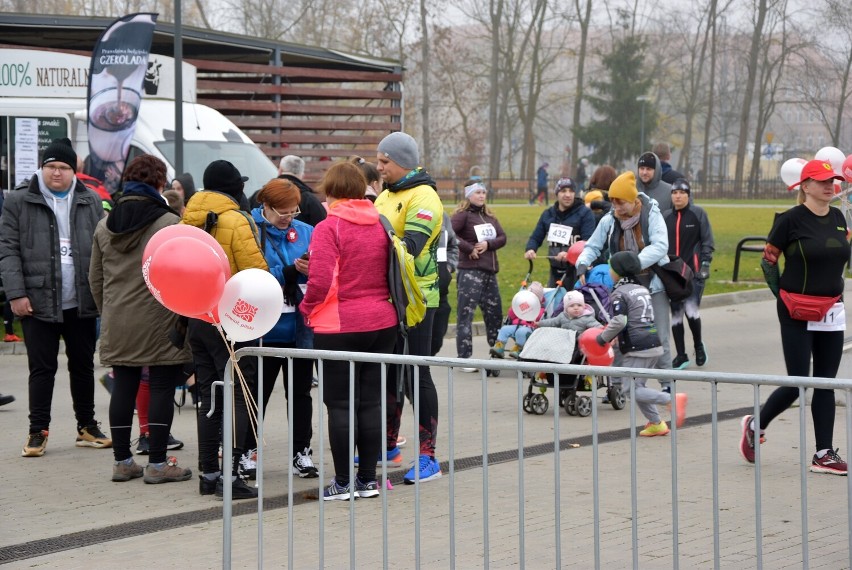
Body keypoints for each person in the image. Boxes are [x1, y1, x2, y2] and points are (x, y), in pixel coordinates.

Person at [0, 138, 111, 457]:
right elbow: (7, 249)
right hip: (36, 300)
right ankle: (38, 431)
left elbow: (102, 246)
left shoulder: (89, 199)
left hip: (81, 298)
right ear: (42, 168)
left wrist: (102, 293)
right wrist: (16, 294)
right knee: (41, 368)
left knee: (82, 366)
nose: (57, 173)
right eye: (51, 167)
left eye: (63, 167)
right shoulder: (19, 200)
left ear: (74, 171)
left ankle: (86, 426)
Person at [739, 159, 849, 475]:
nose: (830, 185)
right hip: (795, 311)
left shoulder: (839, 218)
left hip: (831, 311)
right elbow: (768, 262)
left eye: (834, 180)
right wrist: (783, 298)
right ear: (805, 186)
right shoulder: (790, 220)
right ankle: (755, 424)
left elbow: (841, 257)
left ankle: (824, 454)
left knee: (825, 381)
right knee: (798, 382)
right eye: (823, 180)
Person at [89, 154, 193, 484]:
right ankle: (159, 465)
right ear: (160, 183)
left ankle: (122, 461)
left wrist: (109, 311)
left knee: (124, 386)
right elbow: (184, 272)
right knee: (161, 387)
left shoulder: (105, 225)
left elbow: (94, 278)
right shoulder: (169, 224)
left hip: (118, 319)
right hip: (160, 320)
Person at [299, 161, 398, 499]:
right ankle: (368, 480)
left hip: (339, 324)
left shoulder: (330, 227)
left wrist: (307, 307)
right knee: (371, 403)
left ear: (331, 192)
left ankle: (342, 483)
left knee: (340, 405)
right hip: (382, 321)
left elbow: (320, 278)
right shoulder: (381, 223)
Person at [182, 159, 268, 499]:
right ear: (234, 188)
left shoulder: (187, 218)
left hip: (197, 317)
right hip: (232, 321)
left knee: (208, 396)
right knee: (236, 396)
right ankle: (231, 477)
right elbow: (255, 271)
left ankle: (208, 473)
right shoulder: (236, 220)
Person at [374, 131, 444, 484]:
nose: (379, 167)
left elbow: (411, 246)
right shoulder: (385, 196)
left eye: (385, 161)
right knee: (390, 373)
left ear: (403, 161)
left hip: (419, 299)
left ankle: (430, 457)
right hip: (389, 298)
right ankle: (388, 446)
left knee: (417, 375)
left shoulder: (425, 196)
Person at [240, 178, 318, 480]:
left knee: (300, 394)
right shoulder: (252, 231)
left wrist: (314, 268)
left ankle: (302, 453)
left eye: (293, 211)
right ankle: (247, 451)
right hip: (266, 329)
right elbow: (252, 277)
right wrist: (287, 271)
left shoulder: (307, 232)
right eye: (281, 212)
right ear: (265, 206)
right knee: (257, 394)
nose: (287, 218)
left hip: (300, 329)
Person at [574, 171, 674, 391]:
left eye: (621, 203)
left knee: (658, 334)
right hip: (623, 286)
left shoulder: (651, 214)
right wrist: (582, 263)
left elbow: (660, 246)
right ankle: (618, 383)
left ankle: (667, 384)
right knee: (618, 331)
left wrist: (634, 263)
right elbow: (592, 245)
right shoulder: (610, 219)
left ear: (633, 200)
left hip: (652, 283)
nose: (617, 208)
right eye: (613, 203)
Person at [596, 251, 687, 437]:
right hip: (653, 344)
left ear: (617, 272)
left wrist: (602, 338)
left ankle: (671, 399)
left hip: (638, 348)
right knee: (639, 388)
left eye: (610, 268)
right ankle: (656, 423)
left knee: (631, 391)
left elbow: (619, 321)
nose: (609, 272)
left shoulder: (619, 293)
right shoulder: (641, 289)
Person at [451, 181, 507, 369]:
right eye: (477, 193)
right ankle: (465, 358)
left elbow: (502, 237)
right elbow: (449, 233)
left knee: (495, 314)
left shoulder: (490, 216)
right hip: (470, 272)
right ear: (468, 195)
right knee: (466, 314)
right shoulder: (463, 216)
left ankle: (496, 355)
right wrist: (468, 248)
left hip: (489, 272)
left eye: (483, 192)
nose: (481, 196)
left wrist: (488, 245)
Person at [663, 178, 714, 369]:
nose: (678, 196)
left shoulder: (698, 214)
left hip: (693, 273)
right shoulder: (666, 216)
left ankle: (699, 345)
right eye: (674, 192)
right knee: (676, 313)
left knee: (691, 311)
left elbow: (708, 240)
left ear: (688, 195)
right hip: (672, 274)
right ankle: (681, 355)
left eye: (682, 193)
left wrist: (705, 264)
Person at [524, 177, 596, 288]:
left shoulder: (585, 213)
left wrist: (570, 254)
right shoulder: (548, 214)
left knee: (574, 304)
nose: (568, 195)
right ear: (557, 193)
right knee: (554, 303)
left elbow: (588, 243)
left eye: (571, 191)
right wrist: (530, 249)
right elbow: (536, 237)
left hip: (577, 272)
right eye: (563, 191)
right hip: (555, 272)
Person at [489, 282, 545, 358]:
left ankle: (518, 348)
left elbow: (539, 317)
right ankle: (499, 346)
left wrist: (532, 308)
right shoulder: (522, 305)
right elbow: (511, 316)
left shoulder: (540, 309)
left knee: (521, 331)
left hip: (529, 328)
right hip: (516, 325)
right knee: (504, 329)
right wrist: (515, 307)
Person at [430, 211, 459, 357]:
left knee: (436, 341)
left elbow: (453, 246)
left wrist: (447, 267)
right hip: (416, 293)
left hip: (440, 292)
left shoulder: (443, 216)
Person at [276, 155, 327, 227]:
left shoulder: (262, 196)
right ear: (302, 174)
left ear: (280, 170)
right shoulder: (310, 201)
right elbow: (322, 229)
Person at [536, 289, 600, 334]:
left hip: (578, 343)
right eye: (572, 306)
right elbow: (552, 322)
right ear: (566, 308)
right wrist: (539, 323)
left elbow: (596, 326)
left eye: (579, 305)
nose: (576, 308)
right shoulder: (563, 316)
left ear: (584, 307)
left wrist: (602, 329)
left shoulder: (587, 318)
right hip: (564, 340)